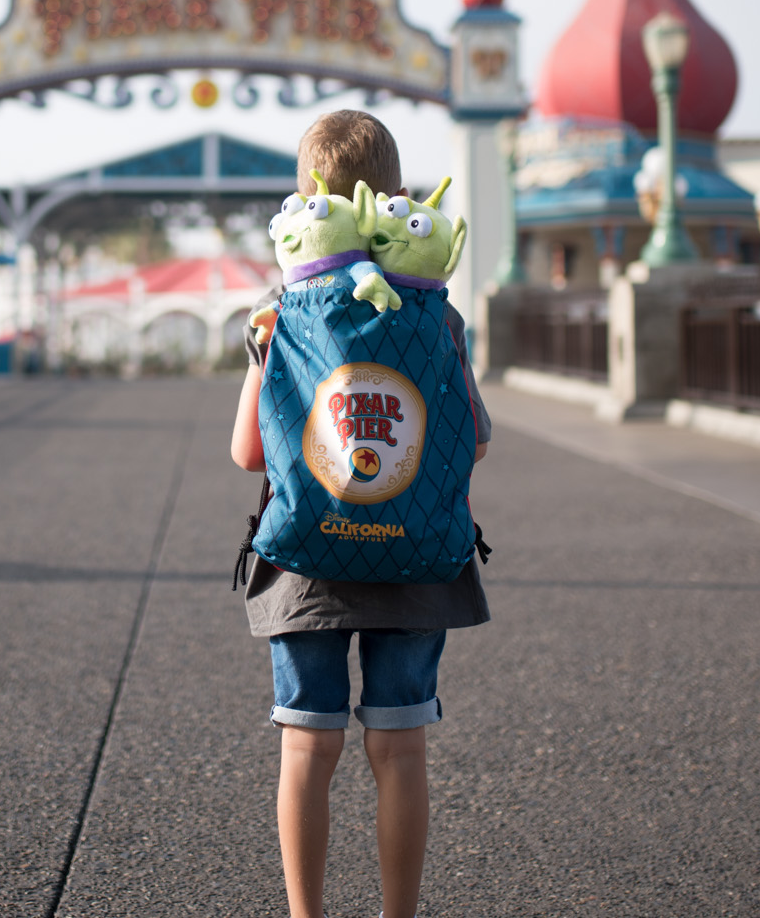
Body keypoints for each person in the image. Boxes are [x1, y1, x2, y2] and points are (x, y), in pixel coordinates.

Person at [229, 109, 491, 918]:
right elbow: (474, 439)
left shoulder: (281, 317)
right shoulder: (431, 312)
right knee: (400, 746)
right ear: (399, 199)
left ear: (305, 201)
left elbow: (246, 451)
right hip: (414, 556)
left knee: (308, 744)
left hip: (308, 558)